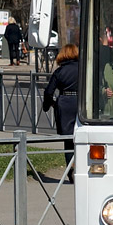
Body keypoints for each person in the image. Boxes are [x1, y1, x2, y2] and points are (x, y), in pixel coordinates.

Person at [42, 43, 80, 182]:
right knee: (82, 136)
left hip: (64, 103)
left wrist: (49, 105)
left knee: (68, 139)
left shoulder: (60, 71)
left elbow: (48, 92)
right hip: (81, 103)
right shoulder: (83, 69)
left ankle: (71, 168)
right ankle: (82, 167)